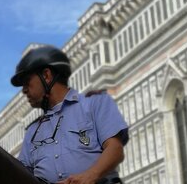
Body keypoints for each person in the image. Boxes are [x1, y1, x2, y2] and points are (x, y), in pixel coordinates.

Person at [11, 45, 129, 184]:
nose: (24, 90)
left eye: (27, 82)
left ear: (46, 75)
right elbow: (21, 176)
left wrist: (89, 176)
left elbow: (115, 149)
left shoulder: (95, 103)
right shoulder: (32, 131)